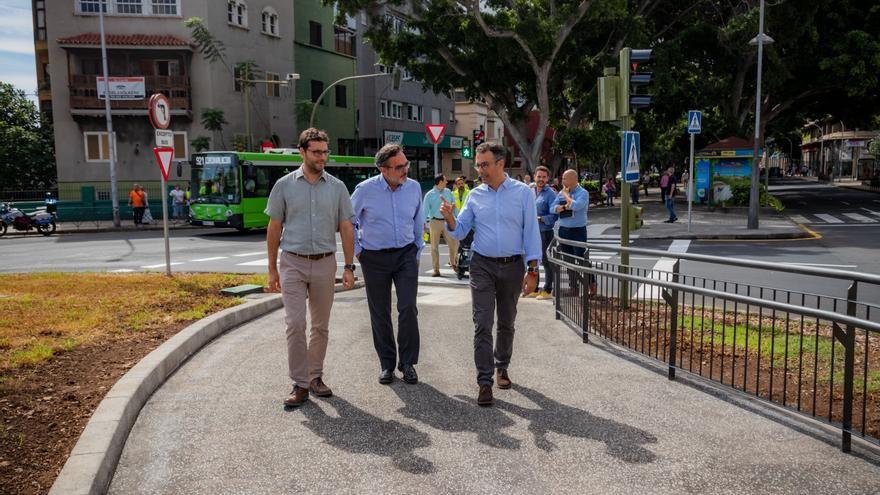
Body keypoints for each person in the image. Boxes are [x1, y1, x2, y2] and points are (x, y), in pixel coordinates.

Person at [439, 142, 541, 407]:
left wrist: (532, 269)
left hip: (513, 265)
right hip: (482, 264)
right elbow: (460, 231)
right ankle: (484, 382)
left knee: (506, 321)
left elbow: (531, 231)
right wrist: (450, 218)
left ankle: (501, 366)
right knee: (482, 322)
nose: (479, 169)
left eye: (484, 164)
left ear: (500, 164)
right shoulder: (474, 195)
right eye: (478, 164)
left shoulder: (522, 193)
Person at [265, 128, 356, 409]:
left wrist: (349, 266)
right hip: (292, 261)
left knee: (320, 326)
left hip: (325, 262)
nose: (322, 157)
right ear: (302, 152)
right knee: (295, 323)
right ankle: (300, 383)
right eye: (316, 152)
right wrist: (272, 269)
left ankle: (315, 377)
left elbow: (345, 227)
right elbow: (274, 226)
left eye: (325, 151)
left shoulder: (338, 187)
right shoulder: (283, 185)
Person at [351, 143, 424, 385]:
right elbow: (347, 222)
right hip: (374, 258)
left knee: (407, 308)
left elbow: (417, 220)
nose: (405, 170)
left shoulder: (413, 188)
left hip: (405, 255)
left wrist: (417, 250)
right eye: (400, 167)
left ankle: (408, 363)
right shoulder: (364, 190)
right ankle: (386, 364)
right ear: (384, 169)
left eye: (406, 165)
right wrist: (359, 252)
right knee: (380, 311)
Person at [553, 169, 595, 297]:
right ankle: (573, 288)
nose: (562, 181)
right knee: (568, 261)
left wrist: (566, 197)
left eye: (565, 178)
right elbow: (552, 207)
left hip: (578, 231)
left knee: (582, 259)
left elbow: (576, 206)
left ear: (573, 179)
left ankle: (591, 285)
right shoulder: (561, 193)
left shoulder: (583, 193)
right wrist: (558, 208)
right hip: (563, 230)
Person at [524, 165, 557, 300]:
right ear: (534, 177)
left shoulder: (550, 194)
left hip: (545, 233)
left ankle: (548, 290)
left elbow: (554, 216)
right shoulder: (530, 191)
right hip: (531, 233)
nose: (541, 179)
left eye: (544, 177)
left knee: (546, 261)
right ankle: (534, 288)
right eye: (539, 177)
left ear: (547, 178)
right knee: (533, 260)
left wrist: (541, 218)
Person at [423, 174, 459, 276]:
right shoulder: (429, 195)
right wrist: (424, 224)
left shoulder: (448, 192)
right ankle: (436, 269)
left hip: (447, 221)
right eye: (445, 180)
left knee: (453, 244)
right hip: (434, 222)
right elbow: (425, 211)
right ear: (440, 182)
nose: (447, 182)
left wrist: (458, 218)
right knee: (434, 247)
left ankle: (453, 263)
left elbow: (454, 206)